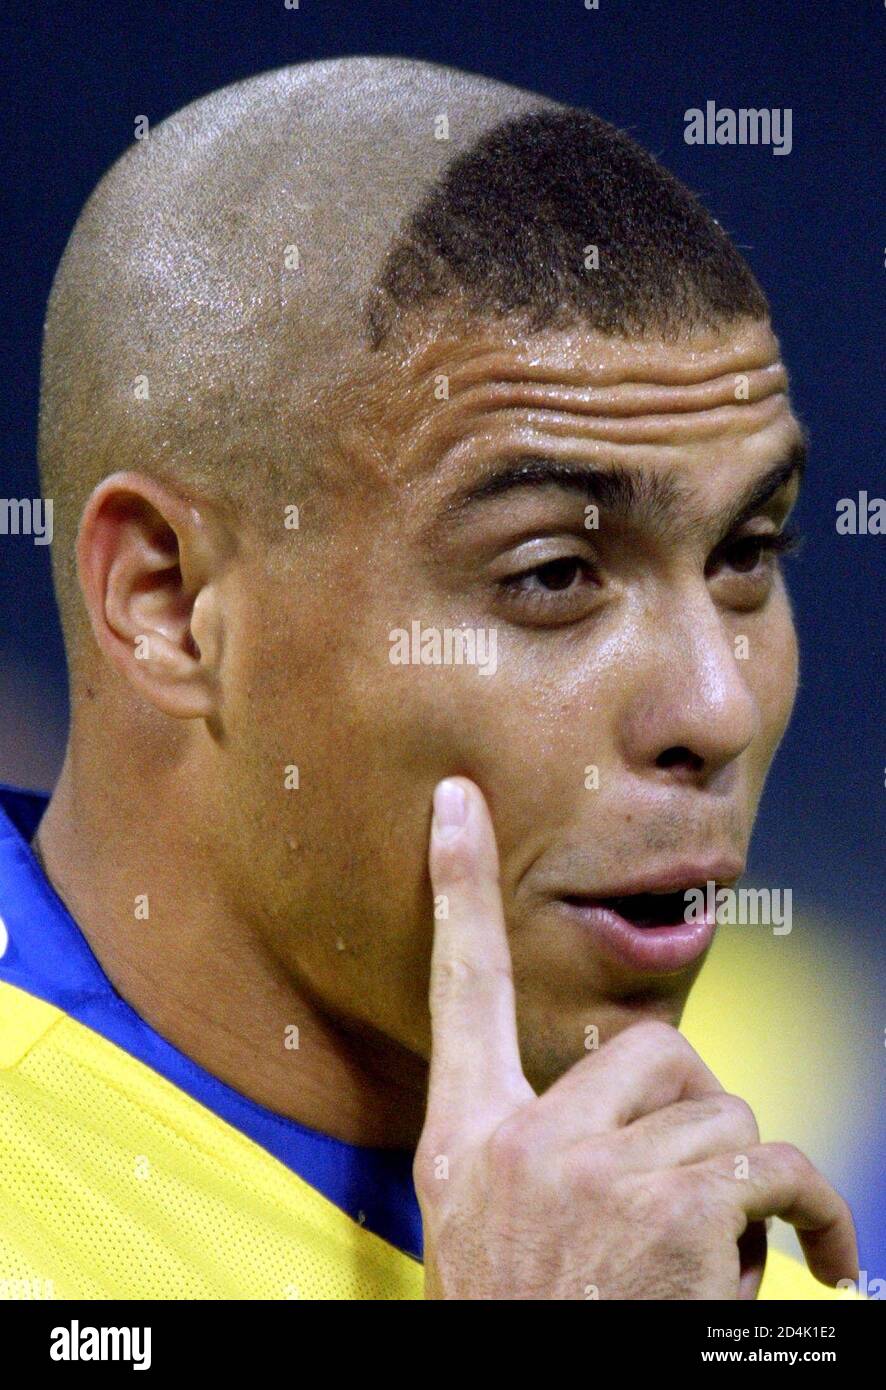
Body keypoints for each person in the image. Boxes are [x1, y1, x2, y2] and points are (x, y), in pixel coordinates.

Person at [0, 55, 857, 1300]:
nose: (714, 710)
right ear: (170, 603)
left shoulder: (689, 1229)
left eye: (744, 553)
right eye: (554, 574)